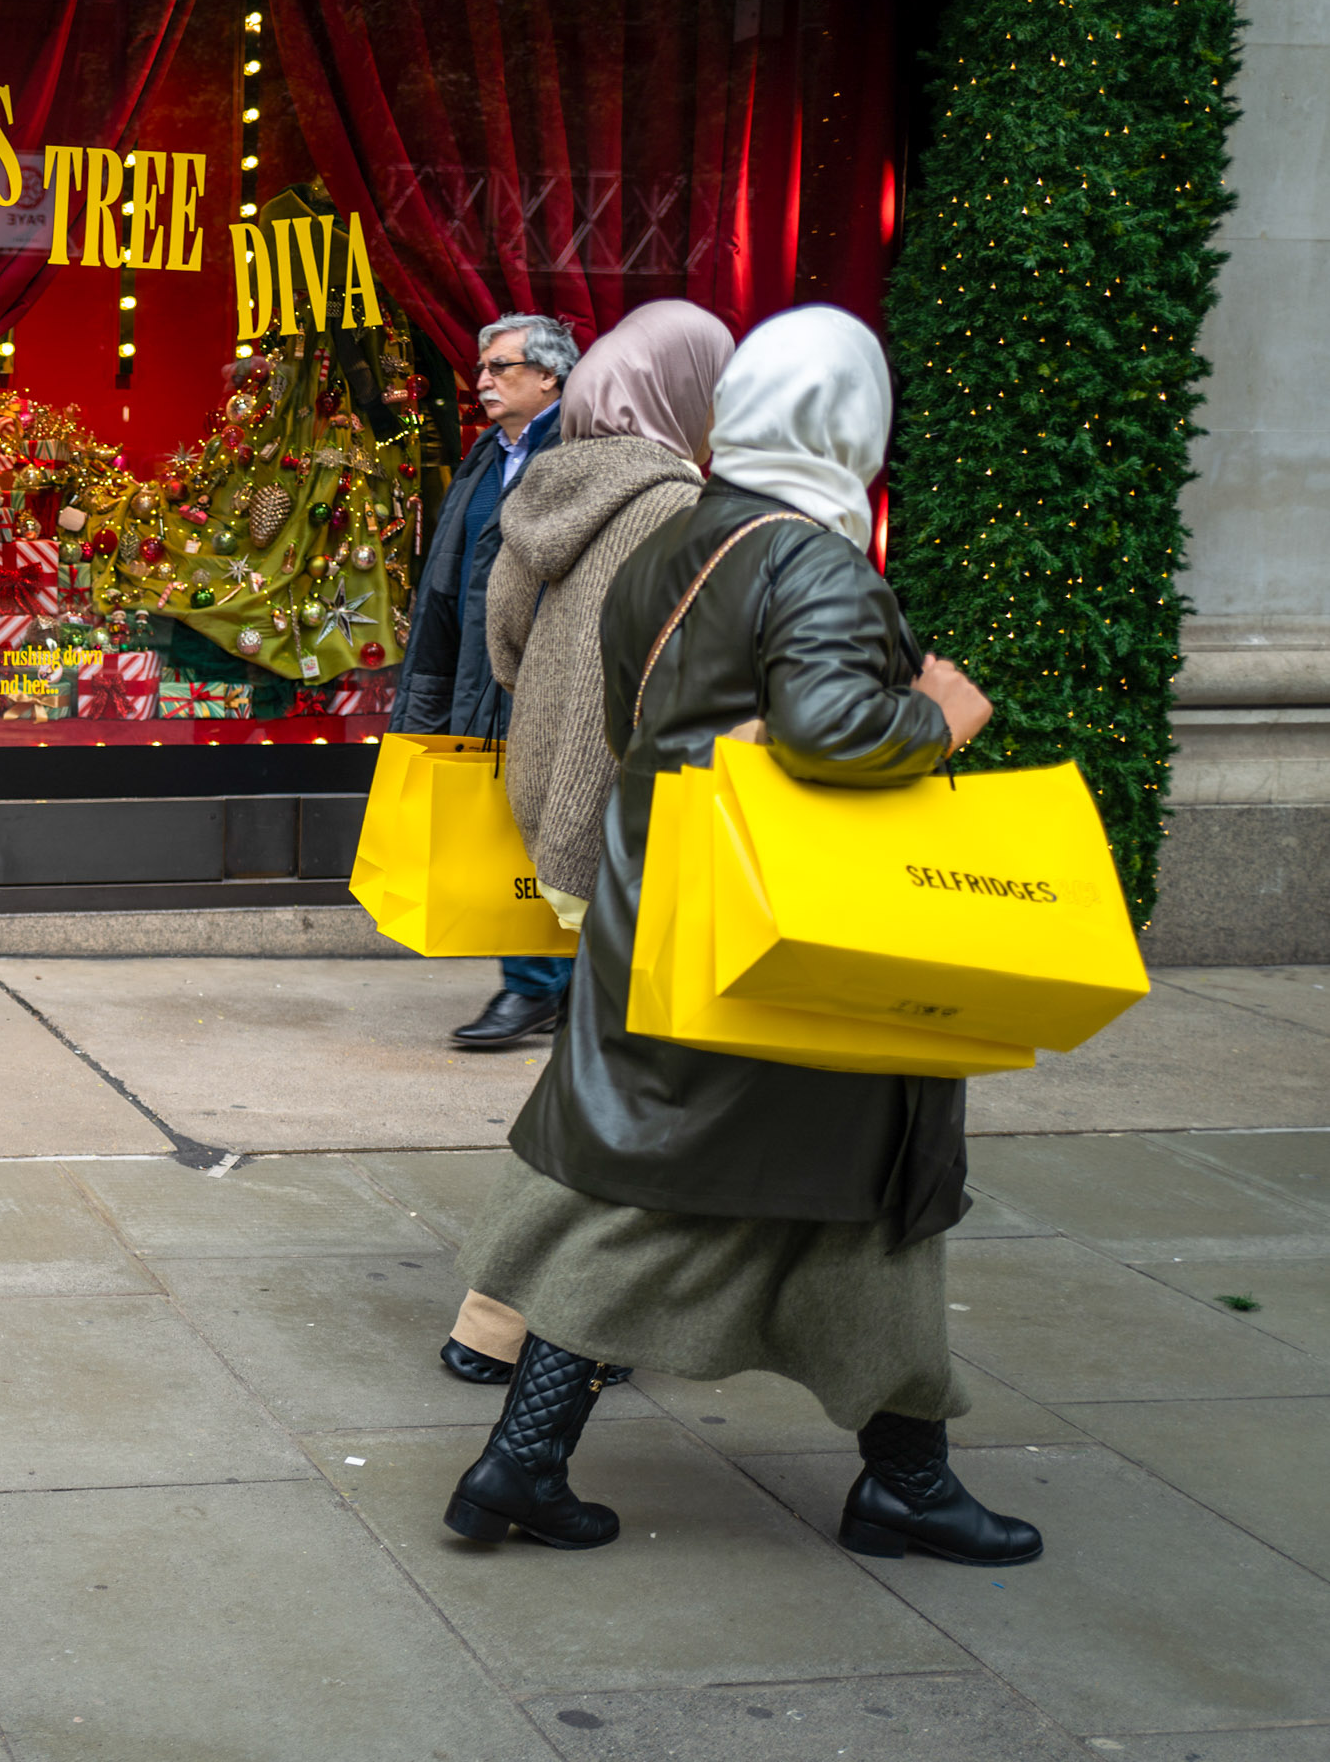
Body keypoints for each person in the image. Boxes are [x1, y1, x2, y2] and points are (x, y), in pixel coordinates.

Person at [437, 307, 1040, 1571]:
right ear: (847, 421)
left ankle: (528, 1459)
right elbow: (828, 728)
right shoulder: (814, 561)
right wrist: (935, 717)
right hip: (794, 944)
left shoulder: (676, 540)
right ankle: (904, 1483)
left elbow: (646, 725)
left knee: (660, 1189)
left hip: (671, 914)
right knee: (863, 1198)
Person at [434, 300, 735, 1388]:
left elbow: (501, 628)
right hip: (633, 821)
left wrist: (553, 712)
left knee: (611, 1075)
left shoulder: (550, 483)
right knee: (629, 1090)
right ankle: (533, 1324)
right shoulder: (683, 508)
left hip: (554, 802)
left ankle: (518, 1322)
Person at [390, 312, 581, 1049]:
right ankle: (545, 984)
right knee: (509, 819)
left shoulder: (573, 453)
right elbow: (456, 573)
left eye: (500, 367)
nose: (483, 380)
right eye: (481, 368)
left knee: (543, 819)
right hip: (479, 662)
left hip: (543, 670)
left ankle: (536, 985)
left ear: (549, 376)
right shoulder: (487, 452)